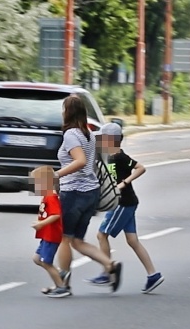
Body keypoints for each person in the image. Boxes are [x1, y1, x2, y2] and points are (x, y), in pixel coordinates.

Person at [53, 95, 123, 294]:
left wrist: (56, 175)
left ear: (67, 112)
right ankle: (110, 265)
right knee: (77, 241)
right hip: (90, 192)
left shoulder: (71, 135)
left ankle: (63, 284)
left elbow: (81, 161)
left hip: (74, 192)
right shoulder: (89, 134)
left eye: (63, 109)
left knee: (64, 238)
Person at [87, 122, 165, 293]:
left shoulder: (120, 157)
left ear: (111, 140)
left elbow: (140, 168)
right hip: (126, 202)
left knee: (102, 235)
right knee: (132, 241)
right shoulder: (107, 156)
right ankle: (153, 275)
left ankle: (107, 272)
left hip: (122, 203)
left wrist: (123, 183)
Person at [30, 166, 69, 298]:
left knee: (46, 262)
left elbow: (56, 215)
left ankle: (61, 287)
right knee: (37, 259)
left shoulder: (51, 197)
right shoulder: (47, 196)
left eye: (36, 183)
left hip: (51, 235)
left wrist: (41, 224)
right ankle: (59, 274)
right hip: (46, 235)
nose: (35, 186)